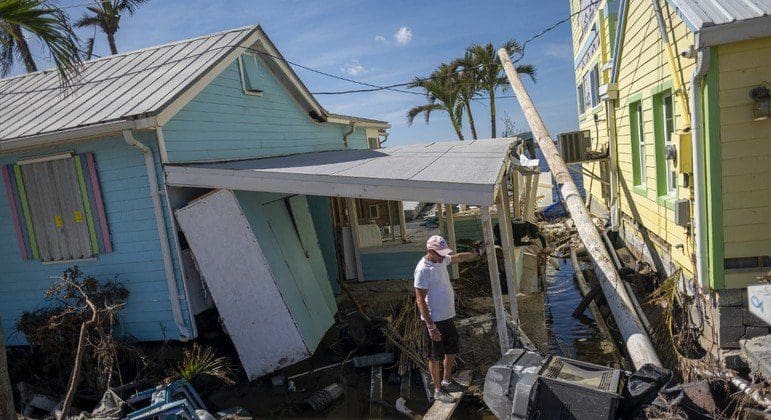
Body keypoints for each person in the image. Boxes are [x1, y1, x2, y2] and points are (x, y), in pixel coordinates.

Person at [414, 235, 484, 403]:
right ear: (430, 251)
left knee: (451, 351)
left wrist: (478, 252)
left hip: (447, 318)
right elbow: (420, 299)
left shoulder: (441, 260)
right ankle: (438, 389)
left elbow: (459, 257)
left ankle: (447, 380)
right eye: (439, 254)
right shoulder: (423, 269)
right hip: (434, 321)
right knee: (434, 357)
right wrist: (431, 327)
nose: (442, 257)